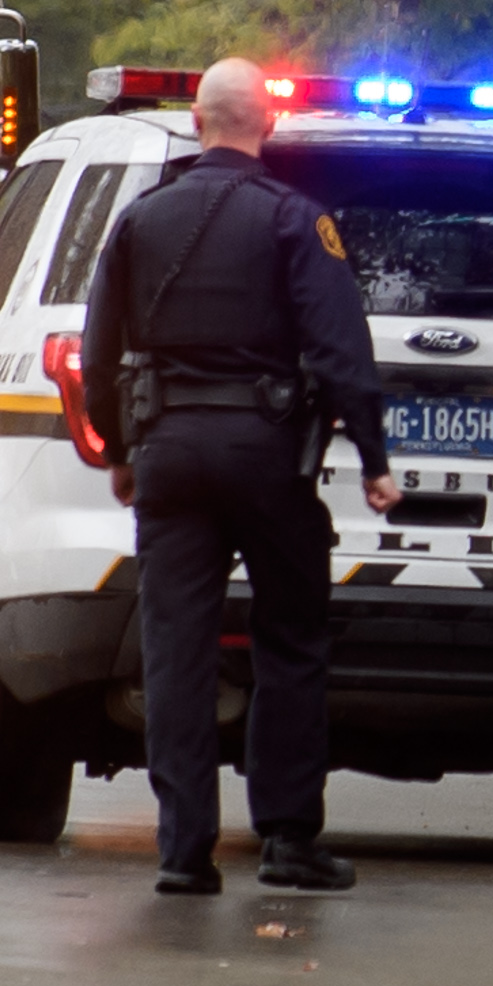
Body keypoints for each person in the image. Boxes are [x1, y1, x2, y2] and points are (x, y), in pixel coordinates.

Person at [83, 57, 400, 896]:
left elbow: (97, 349)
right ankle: (289, 839)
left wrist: (119, 450)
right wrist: (371, 457)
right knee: (290, 640)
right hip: (266, 454)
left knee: (177, 652)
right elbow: (341, 348)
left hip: (169, 457)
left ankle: (183, 853)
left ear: (197, 121)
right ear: (269, 126)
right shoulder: (295, 219)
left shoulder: (141, 218)